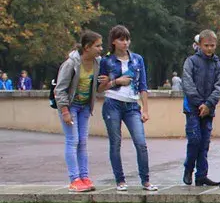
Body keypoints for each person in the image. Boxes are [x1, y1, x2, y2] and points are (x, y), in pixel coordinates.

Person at [98, 25, 155, 191]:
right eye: (121, 39)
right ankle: (120, 180)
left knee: (140, 142)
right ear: (114, 41)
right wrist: (116, 81)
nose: (125, 43)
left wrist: (145, 109)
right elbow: (100, 89)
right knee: (115, 143)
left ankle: (145, 180)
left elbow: (143, 85)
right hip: (112, 104)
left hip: (131, 105)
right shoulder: (106, 61)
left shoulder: (137, 59)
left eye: (127, 39)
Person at [55, 31, 102, 192]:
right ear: (87, 47)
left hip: (84, 107)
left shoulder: (97, 62)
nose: (100, 49)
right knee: (72, 140)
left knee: (83, 142)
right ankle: (74, 179)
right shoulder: (71, 63)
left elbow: (96, 86)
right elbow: (60, 89)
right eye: (97, 46)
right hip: (71, 106)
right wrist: (65, 111)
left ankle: (84, 176)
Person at [181, 29, 220, 186]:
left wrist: (208, 104)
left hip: (208, 109)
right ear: (199, 45)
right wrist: (199, 103)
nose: (209, 49)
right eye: (206, 45)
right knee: (194, 139)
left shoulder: (218, 65)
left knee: (204, 142)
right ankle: (188, 168)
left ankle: (201, 175)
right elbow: (187, 83)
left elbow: (219, 86)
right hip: (192, 108)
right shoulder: (191, 61)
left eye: (212, 45)